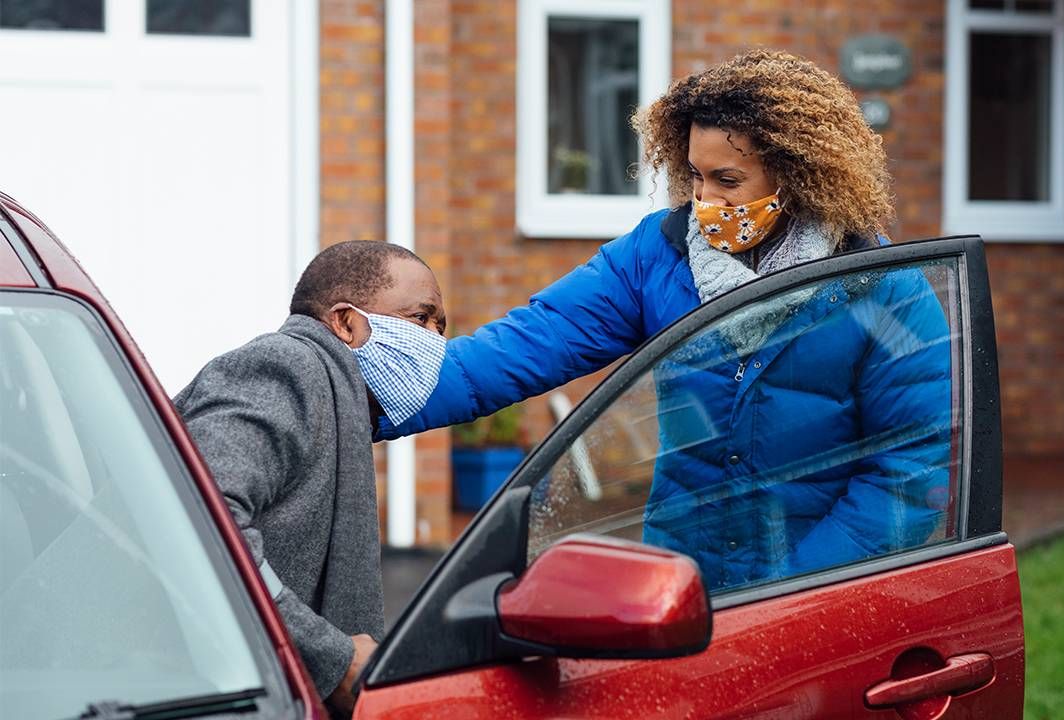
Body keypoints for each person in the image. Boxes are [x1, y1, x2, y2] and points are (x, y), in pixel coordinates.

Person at [381, 49, 950, 591]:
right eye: (695, 176)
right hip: (678, 589)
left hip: (809, 605)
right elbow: (522, 346)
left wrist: (788, 595)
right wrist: (359, 392)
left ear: (797, 174)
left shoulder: (883, 288)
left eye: (727, 181)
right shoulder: (656, 256)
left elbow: (906, 474)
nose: (703, 200)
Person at [175, 241, 446, 714]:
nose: (435, 342)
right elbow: (196, 516)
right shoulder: (287, 367)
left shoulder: (337, 392)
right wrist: (332, 658)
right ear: (345, 322)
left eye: (440, 327)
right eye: (420, 319)